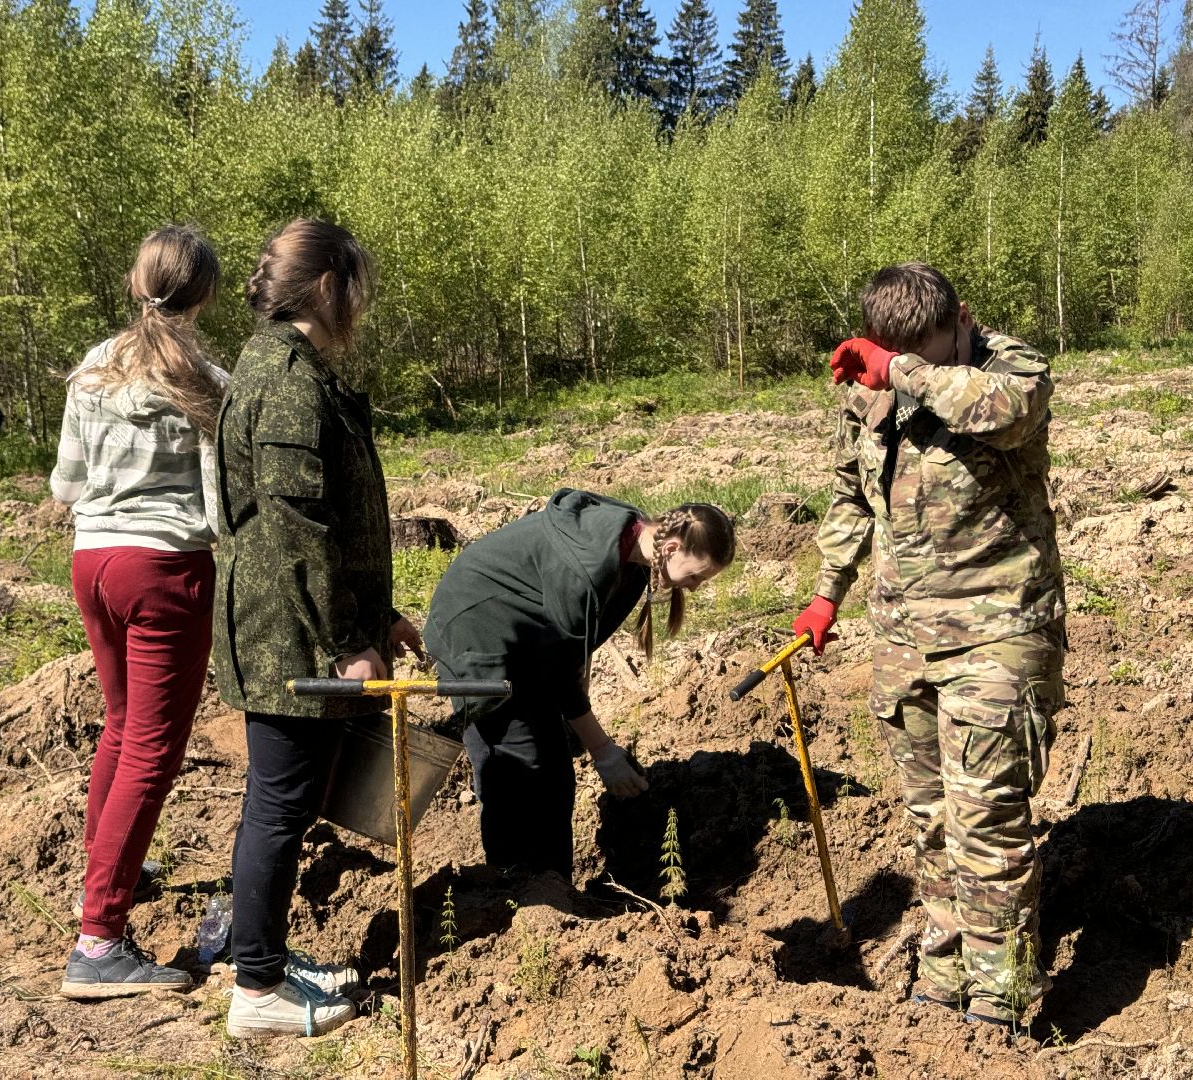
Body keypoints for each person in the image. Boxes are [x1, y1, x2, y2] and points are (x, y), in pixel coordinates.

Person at [793, 262, 1065, 1029]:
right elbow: (850, 494)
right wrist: (827, 591)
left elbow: (1002, 412)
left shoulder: (1010, 370)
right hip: (903, 637)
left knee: (986, 825)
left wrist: (901, 370)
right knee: (932, 821)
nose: (907, 364)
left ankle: (1000, 1001)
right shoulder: (870, 389)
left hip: (997, 632)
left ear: (962, 320)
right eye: (893, 350)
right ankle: (944, 981)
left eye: (927, 348)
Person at [213, 219, 424, 1040]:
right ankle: (257, 991)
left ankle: (262, 958)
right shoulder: (287, 380)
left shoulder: (290, 368)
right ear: (330, 287)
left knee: (282, 803)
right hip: (289, 638)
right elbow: (298, 529)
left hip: (300, 627)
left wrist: (379, 619)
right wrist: (345, 643)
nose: (360, 308)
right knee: (279, 806)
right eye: (357, 289)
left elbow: (332, 521)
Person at [49, 224, 228, 999]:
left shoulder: (93, 367)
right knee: (154, 750)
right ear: (205, 295)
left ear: (135, 282)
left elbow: (64, 484)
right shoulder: (205, 381)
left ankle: (110, 870)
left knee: (122, 727)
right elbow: (218, 505)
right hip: (164, 572)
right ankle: (98, 942)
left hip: (92, 563)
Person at [423, 490, 736, 881]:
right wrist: (602, 750)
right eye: (695, 576)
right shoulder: (588, 565)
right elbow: (557, 668)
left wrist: (577, 713)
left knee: (553, 773)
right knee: (519, 766)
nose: (693, 587)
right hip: (479, 637)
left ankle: (552, 888)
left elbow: (574, 643)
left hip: (529, 642)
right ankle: (512, 890)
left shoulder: (636, 548)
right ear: (672, 548)